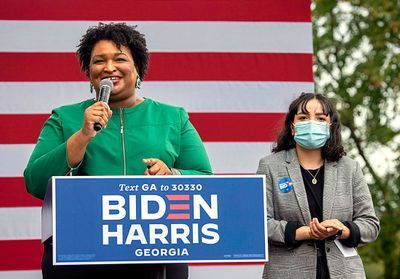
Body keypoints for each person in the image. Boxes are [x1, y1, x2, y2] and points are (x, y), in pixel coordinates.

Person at [23, 22, 212, 279]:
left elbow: (204, 179)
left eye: (120, 59)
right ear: (89, 72)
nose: (109, 67)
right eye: (99, 61)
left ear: (138, 68)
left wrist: (172, 176)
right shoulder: (64, 118)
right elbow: (35, 182)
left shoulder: (174, 118)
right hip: (79, 254)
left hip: (156, 254)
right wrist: (82, 136)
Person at [256, 93, 379, 278]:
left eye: (320, 118)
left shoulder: (350, 168)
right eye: (303, 118)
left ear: (330, 126)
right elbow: (258, 223)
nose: (312, 123)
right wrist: (302, 232)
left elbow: (370, 224)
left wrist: (342, 230)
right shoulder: (270, 166)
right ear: (292, 127)